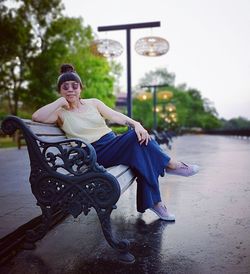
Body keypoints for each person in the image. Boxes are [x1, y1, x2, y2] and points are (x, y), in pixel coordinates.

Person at [32, 64, 199, 221]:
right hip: (94, 153)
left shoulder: (93, 103)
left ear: (80, 88)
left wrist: (137, 124)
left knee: (142, 147)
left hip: (112, 144)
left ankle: (157, 203)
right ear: (60, 90)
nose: (70, 90)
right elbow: (37, 117)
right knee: (137, 139)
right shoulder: (59, 114)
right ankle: (171, 165)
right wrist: (60, 102)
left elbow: (116, 116)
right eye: (65, 87)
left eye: (74, 85)